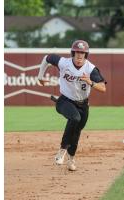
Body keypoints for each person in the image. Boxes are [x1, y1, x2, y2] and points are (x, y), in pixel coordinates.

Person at [37, 40, 107, 171]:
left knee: (76, 132)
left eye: (82, 53)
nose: (79, 55)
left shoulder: (90, 69)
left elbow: (103, 88)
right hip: (65, 101)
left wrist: (90, 82)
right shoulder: (64, 63)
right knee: (75, 118)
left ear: (86, 55)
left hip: (83, 105)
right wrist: (40, 76)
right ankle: (62, 150)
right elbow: (46, 58)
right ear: (73, 53)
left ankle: (71, 159)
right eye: (77, 52)